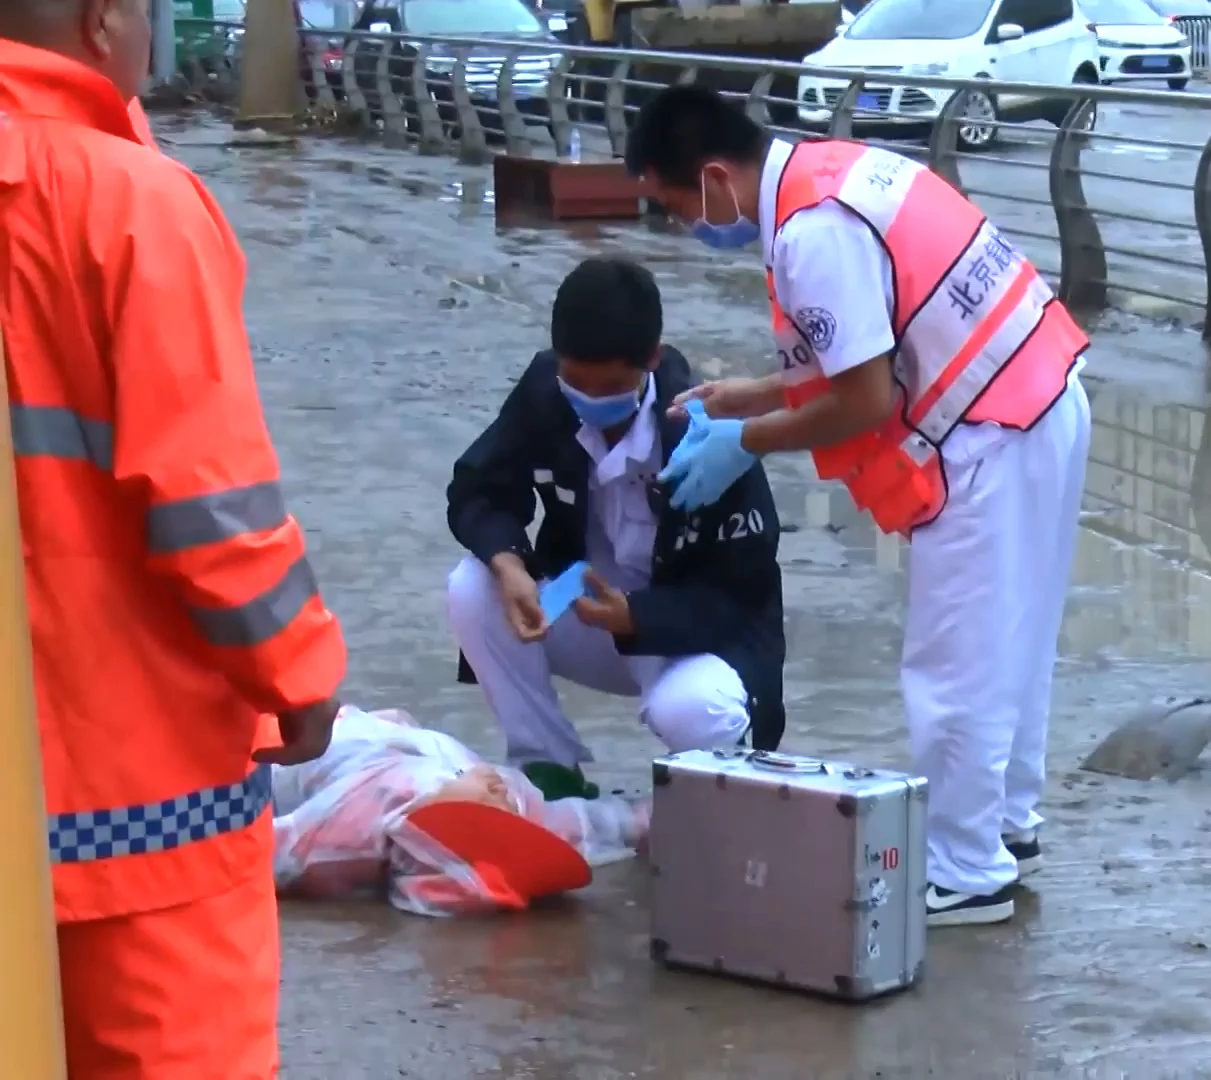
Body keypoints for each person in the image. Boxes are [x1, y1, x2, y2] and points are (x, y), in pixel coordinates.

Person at [623, 86, 1092, 927]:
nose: (682, 226)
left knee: (955, 670)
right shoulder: (830, 173)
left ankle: (963, 872)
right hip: (1039, 395)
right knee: (1016, 649)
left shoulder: (812, 235)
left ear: (714, 179)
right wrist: (750, 396)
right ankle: (1004, 830)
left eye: (673, 205)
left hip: (988, 434)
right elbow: (872, 343)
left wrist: (752, 438)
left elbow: (867, 398)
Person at [1, 0, 349, 1073]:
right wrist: (305, 675)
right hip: (141, 820)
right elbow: (214, 515)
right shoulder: (129, 204)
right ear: (106, 20)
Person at [446, 256, 786, 802]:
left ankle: (706, 796)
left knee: (697, 710)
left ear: (651, 360)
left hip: (689, 637)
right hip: (587, 607)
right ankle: (547, 767)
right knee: (471, 587)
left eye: (610, 386)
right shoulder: (545, 393)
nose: (591, 399)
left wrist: (638, 616)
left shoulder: (706, 431)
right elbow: (476, 490)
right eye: (575, 381)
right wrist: (511, 564)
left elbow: (741, 595)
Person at [272, 705, 648, 916]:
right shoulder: (518, 806)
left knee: (280, 751)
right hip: (399, 742)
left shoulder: (361, 818)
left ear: (442, 815)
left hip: (329, 746)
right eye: (505, 812)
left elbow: (270, 854)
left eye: (488, 810)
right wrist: (638, 821)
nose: (501, 798)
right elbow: (591, 823)